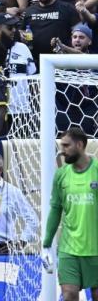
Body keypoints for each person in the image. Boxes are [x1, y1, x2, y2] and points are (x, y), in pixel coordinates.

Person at [43, 128, 98, 301]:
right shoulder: (61, 175)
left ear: (80, 145)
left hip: (95, 249)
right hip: (69, 249)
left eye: (66, 145)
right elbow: (55, 209)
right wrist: (46, 243)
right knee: (69, 295)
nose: (62, 150)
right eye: (61, 145)